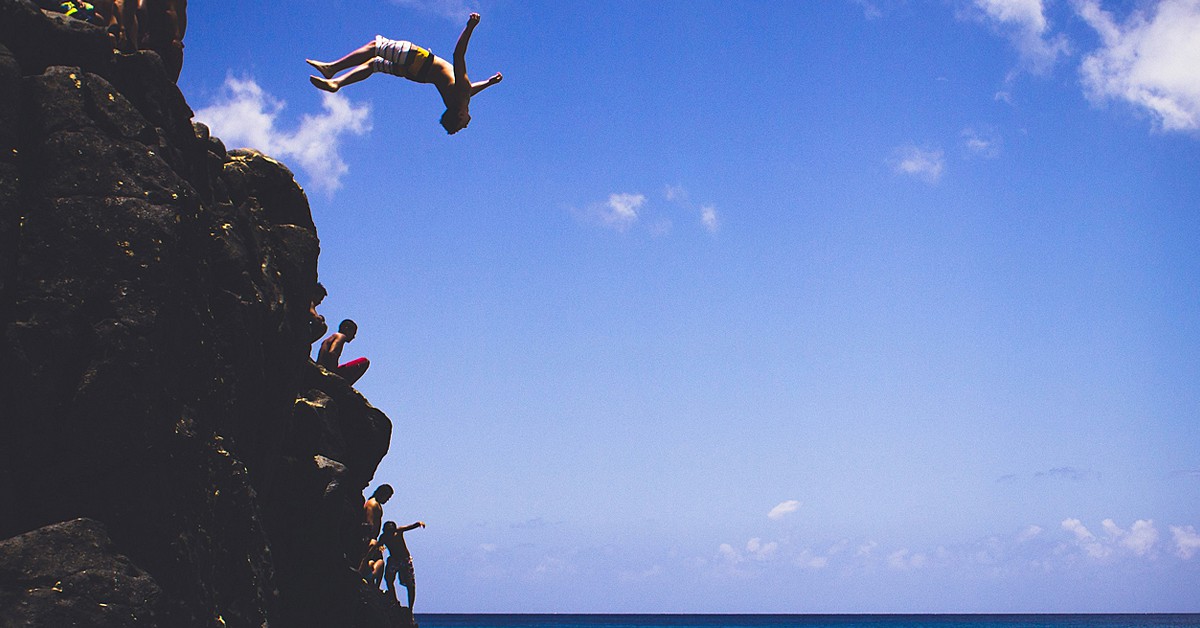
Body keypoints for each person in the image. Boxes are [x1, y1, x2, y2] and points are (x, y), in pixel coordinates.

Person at [306, 12, 503, 135]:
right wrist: (489, 83)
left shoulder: (462, 95)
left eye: (462, 126)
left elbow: (458, 56)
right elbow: (469, 88)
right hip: (416, 75)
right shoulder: (457, 100)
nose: (466, 127)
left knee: (376, 47)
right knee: (374, 65)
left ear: (460, 115)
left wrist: (470, 28)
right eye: (462, 127)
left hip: (420, 60)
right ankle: (338, 84)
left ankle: (332, 70)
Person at [379, 519, 425, 609]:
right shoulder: (384, 537)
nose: (390, 535)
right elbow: (378, 546)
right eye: (388, 533)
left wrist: (418, 524)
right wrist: (380, 548)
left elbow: (409, 527)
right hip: (394, 560)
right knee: (389, 579)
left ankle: (410, 608)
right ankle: (394, 600)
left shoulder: (398, 532)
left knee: (410, 584)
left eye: (392, 532)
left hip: (405, 559)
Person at [317, 319, 370, 385]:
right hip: (328, 370)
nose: (353, 337)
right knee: (364, 361)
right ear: (346, 329)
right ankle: (345, 385)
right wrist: (333, 374)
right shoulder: (341, 336)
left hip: (321, 368)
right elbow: (332, 352)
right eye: (353, 333)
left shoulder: (328, 339)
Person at [361, 484, 393, 550]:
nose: (387, 499)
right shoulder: (372, 503)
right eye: (387, 497)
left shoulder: (377, 504)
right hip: (368, 540)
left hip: (372, 538)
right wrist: (371, 539)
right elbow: (369, 523)